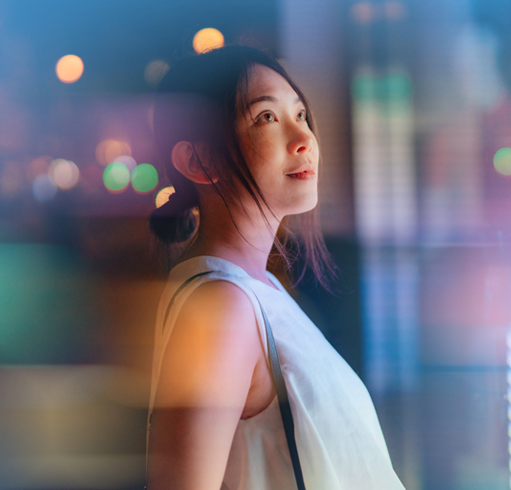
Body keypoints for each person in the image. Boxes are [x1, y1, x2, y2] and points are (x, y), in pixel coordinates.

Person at [146, 46, 405, 490]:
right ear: (198, 161)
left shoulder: (257, 289)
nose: (303, 137)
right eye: (266, 117)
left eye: (301, 114)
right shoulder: (222, 304)